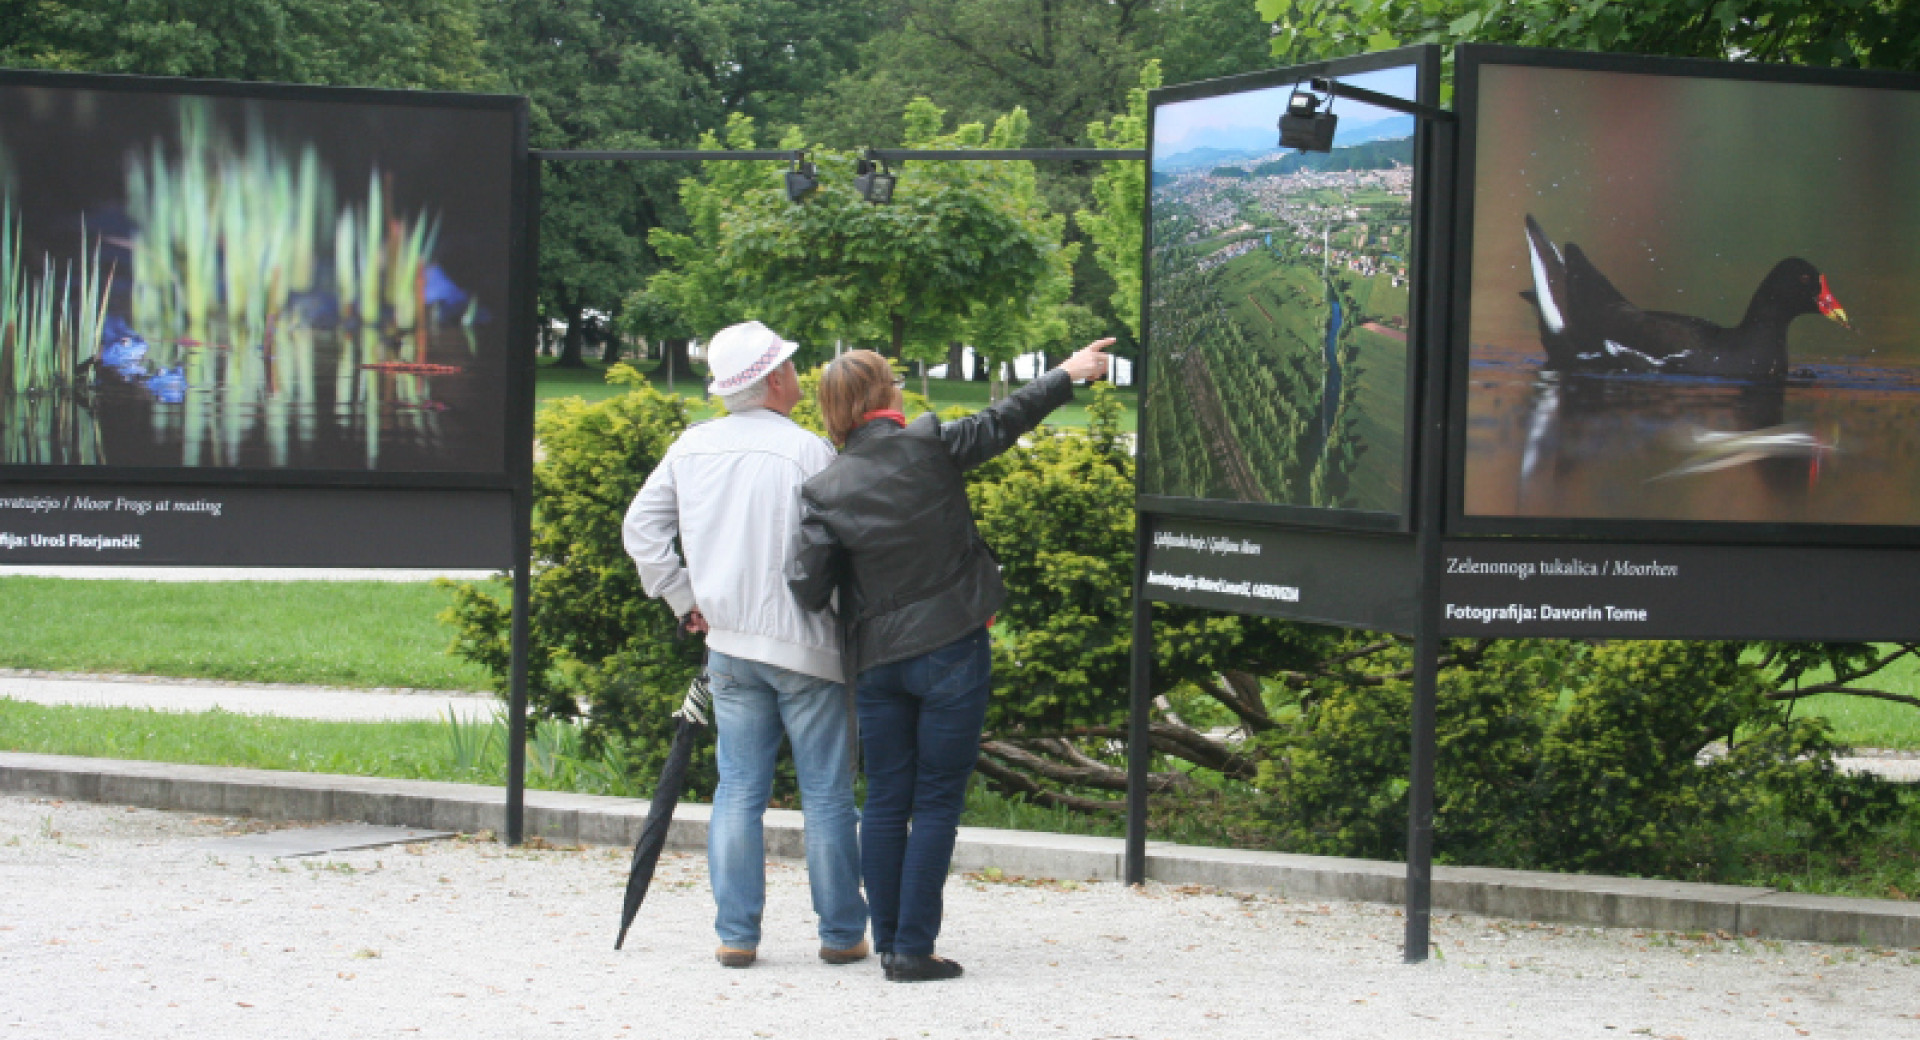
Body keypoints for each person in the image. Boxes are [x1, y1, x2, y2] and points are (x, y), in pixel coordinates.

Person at [787, 339, 1114, 982]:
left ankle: (890, 945)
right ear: (886, 397)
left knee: (884, 800)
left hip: (877, 660)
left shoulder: (824, 488)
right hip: (953, 645)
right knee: (936, 800)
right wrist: (1068, 373)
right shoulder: (929, 443)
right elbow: (1006, 419)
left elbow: (806, 585)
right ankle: (914, 949)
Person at [623, 320, 868, 969]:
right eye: (789, 367)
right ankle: (842, 933)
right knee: (826, 796)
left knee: (737, 792)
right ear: (776, 379)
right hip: (807, 648)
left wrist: (685, 599)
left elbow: (640, 533)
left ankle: (737, 934)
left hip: (728, 645)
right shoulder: (810, 451)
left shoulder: (691, 446)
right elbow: (846, 553)